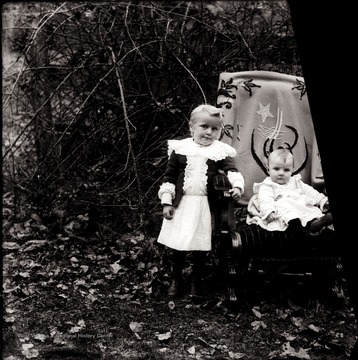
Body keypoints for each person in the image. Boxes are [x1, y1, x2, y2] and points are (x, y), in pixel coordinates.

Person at [157, 104, 245, 298]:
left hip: (204, 205)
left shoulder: (219, 151)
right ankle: (176, 279)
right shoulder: (180, 149)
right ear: (192, 127)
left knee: (200, 245)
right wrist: (166, 202)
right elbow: (169, 177)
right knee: (178, 245)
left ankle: (197, 280)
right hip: (182, 205)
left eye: (215, 129)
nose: (209, 132)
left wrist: (237, 186)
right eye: (204, 127)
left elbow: (232, 171)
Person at [246, 147, 333, 233]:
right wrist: (269, 211)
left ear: (292, 171)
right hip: (283, 209)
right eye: (276, 169)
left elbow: (309, 191)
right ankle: (305, 228)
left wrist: (322, 200)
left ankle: (316, 223)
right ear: (268, 169)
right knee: (289, 212)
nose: (281, 173)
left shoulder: (294, 181)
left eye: (286, 170)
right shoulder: (267, 185)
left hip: (299, 207)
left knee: (311, 210)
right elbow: (265, 199)